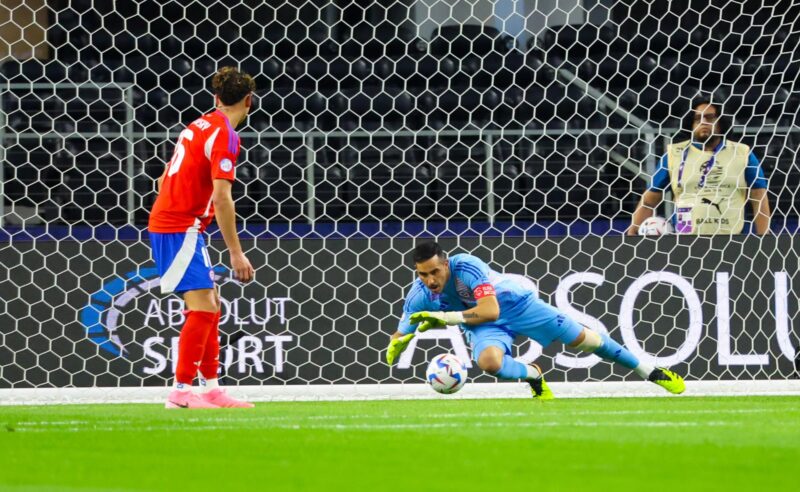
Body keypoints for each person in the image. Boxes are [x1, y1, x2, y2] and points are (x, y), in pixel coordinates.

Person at [386, 241, 685, 398]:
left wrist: (444, 318)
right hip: (483, 325)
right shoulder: (419, 295)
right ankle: (533, 374)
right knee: (490, 364)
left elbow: (490, 309)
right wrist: (396, 346)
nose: (430, 280)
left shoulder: (467, 266)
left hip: (515, 305)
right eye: (423, 274)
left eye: (435, 272)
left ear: (446, 263)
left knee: (586, 341)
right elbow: (401, 332)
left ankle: (650, 372)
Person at [149, 67, 256, 409]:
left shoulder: (197, 124)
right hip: (180, 226)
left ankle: (211, 388)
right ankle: (180, 392)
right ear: (249, 102)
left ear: (216, 98)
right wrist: (236, 254)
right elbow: (224, 198)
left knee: (211, 306)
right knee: (204, 307)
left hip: (181, 224)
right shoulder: (225, 136)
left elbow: (165, 177)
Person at [628, 97, 771, 235]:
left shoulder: (742, 153)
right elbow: (649, 200)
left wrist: (764, 237)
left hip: (732, 240)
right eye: (697, 119)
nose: (703, 122)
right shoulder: (674, 155)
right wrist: (632, 232)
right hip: (685, 242)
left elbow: (759, 196)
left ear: (721, 122)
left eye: (709, 117)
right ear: (691, 124)